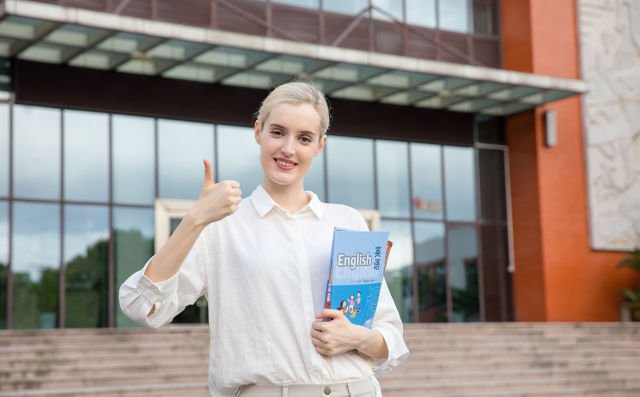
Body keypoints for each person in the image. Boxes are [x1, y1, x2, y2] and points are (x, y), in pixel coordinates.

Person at [119, 82, 409, 397]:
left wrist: (356, 337)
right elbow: (142, 306)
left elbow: (390, 340)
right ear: (258, 131)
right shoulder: (220, 225)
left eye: (304, 138)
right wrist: (194, 220)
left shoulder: (348, 222)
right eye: (277, 132)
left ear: (319, 145)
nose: (288, 149)